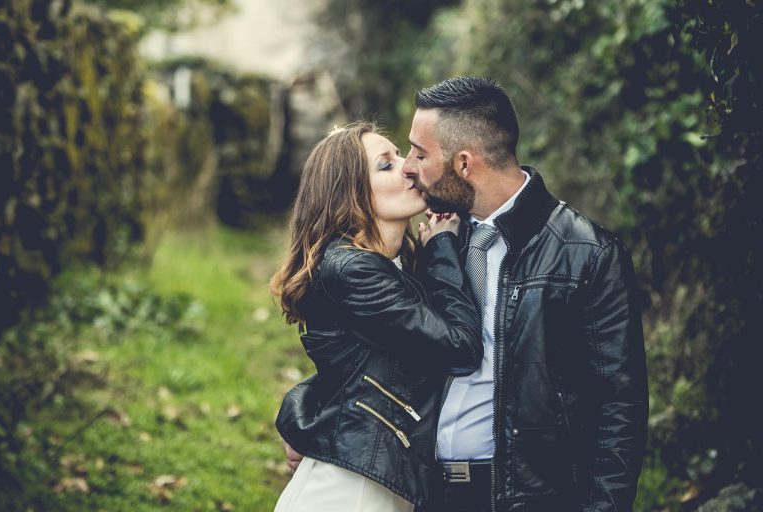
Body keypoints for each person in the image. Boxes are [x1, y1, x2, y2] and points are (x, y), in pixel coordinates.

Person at [287, 77, 649, 512]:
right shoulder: (437, 240)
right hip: (422, 489)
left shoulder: (586, 253)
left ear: (463, 163)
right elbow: (376, 350)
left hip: (526, 496)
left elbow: (619, 403)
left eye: (418, 154)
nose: (409, 167)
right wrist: (308, 414)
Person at [270, 122, 484, 512]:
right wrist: (443, 249)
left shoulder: (394, 266)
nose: (408, 167)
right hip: (349, 493)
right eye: (386, 165)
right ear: (350, 193)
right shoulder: (352, 270)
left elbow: (359, 365)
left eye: (402, 155)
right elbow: (460, 348)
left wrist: (300, 413)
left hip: (371, 481)